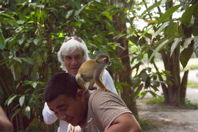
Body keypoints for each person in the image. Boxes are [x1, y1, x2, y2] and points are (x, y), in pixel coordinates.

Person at [42, 36, 118, 132]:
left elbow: (114, 106)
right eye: (68, 58)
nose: (74, 62)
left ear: (84, 57)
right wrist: (59, 106)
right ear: (63, 60)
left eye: (77, 57)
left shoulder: (101, 74)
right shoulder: (60, 82)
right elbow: (47, 119)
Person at [44, 72, 142, 132]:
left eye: (63, 108)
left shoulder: (99, 99)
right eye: (56, 112)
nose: (62, 117)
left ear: (80, 94)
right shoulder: (74, 127)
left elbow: (129, 127)